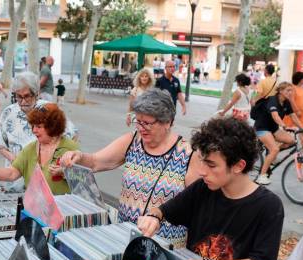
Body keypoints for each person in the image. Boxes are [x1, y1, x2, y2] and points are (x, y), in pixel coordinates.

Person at [136, 117, 284, 260]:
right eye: (201, 161)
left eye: (211, 165)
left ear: (238, 166)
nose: (201, 171)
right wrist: (153, 217)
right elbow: (164, 211)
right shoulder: (202, 188)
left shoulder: (269, 206)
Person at [60, 89, 201, 247]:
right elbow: (95, 162)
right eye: (138, 121)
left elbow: (197, 205)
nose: (140, 128)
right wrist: (79, 157)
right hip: (125, 239)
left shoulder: (188, 155)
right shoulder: (132, 141)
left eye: (147, 123)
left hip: (166, 248)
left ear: (167, 122)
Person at [0, 72, 77, 190]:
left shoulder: (49, 110)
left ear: (37, 94)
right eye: (18, 96)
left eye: (27, 96)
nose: (22, 101)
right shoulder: (8, 113)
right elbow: (1, 146)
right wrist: (17, 160)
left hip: (45, 181)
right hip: (15, 179)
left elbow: (73, 135)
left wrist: (57, 160)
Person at [0, 104, 77, 194]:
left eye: (39, 126)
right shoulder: (30, 149)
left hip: (61, 209)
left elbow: (82, 181)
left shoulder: (69, 148)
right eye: (33, 126)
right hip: (34, 208)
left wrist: (65, 173)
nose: (34, 130)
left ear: (53, 126)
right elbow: (12, 173)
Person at [253, 82, 302, 185]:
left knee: (291, 141)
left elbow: (293, 116)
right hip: (262, 128)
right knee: (274, 149)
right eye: (288, 90)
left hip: (273, 129)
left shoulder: (286, 102)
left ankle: (271, 157)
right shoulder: (272, 101)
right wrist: (284, 126)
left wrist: (302, 129)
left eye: (291, 90)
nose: (290, 92)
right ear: (280, 91)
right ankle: (261, 176)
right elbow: (275, 116)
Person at [284, 71, 303, 153]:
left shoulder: (302, 88)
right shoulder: (293, 88)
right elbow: (291, 100)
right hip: (294, 113)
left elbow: (301, 99)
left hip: (302, 113)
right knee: (287, 130)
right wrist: (296, 111)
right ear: (300, 79)